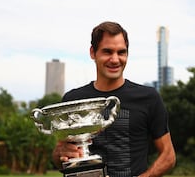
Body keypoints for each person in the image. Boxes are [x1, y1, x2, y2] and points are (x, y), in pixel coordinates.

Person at [52, 21, 176, 177]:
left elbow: (169, 156)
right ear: (93, 52)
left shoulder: (148, 98)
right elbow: (61, 158)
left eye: (121, 52)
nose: (115, 59)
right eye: (107, 51)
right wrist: (59, 154)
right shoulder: (73, 100)